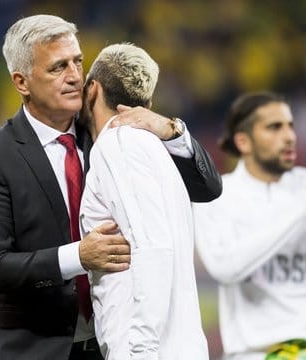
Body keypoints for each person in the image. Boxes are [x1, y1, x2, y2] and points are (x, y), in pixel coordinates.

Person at [0, 14, 221, 360]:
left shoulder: (112, 136)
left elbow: (207, 188)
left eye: (77, 62)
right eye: (57, 68)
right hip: (33, 348)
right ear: (22, 81)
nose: (73, 76)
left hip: (106, 345)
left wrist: (171, 130)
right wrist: (78, 257)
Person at [193, 91, 306, 359]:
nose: (290, 136)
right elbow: (226, 267)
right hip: (256, 353)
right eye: (274, 127)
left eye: (291, 126)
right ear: (243, 141)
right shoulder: (217, 197)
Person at [78, 42, 209, 359]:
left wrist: (140, 350)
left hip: (147, 348)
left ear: (92, 90)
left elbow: (153, 248)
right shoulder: (154, 149)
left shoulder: (119, 144)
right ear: (147, 103)